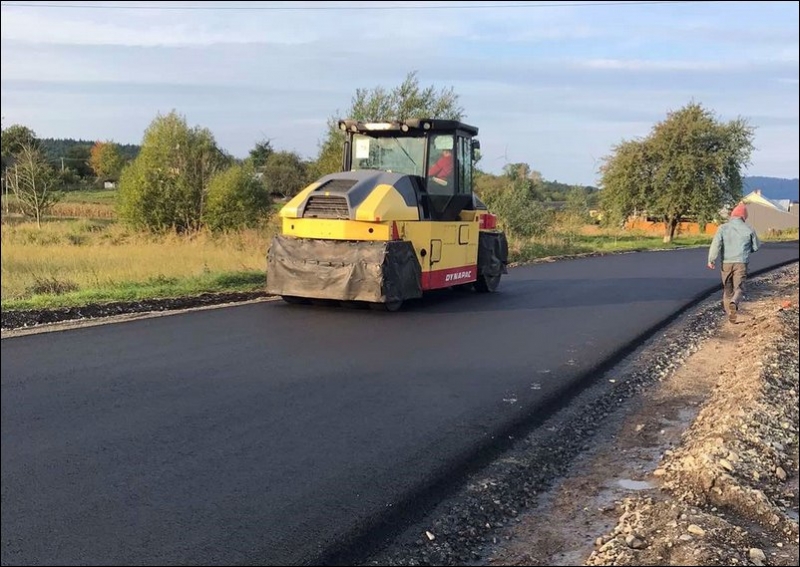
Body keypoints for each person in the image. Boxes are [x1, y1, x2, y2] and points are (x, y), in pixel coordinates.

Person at [707, 202, 760, 323]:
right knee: (739, 288)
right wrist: (747, 249)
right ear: (744, 216)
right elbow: (756, 247)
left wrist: (711, 259)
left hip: (726, 263)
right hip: (741, 263)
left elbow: (716, 245)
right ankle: (734, 302)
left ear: (732, 215)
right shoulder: (749, 229)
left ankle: (730, 314)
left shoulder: (722, 228)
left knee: (727, 290)